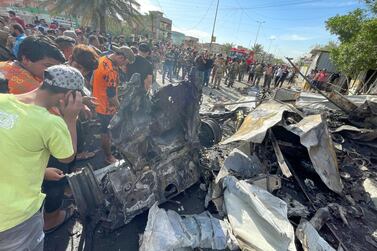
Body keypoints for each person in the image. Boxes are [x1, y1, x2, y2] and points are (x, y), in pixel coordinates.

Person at [0, 65, 83, 251]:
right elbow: (67, 157)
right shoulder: (51, 123)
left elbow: (10, 149)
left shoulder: (2, 100)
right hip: (15, 218)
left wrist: (41, 172)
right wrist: (71, 118)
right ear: (69, 95)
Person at [93, 46, 135, 164]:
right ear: (121, 57)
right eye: (124, 63)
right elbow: (111, 96)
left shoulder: (102, 59)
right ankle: (108, 156)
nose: (123, 66)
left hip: (98, 100)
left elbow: (93, 81)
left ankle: (109, 148)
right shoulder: (110, 70)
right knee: (105, 131)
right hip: (106, 106)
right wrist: (121, 108)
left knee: (105, 130)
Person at [0, 35, 66, 95]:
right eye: (48, 65)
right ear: (25, 59)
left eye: (57, 67)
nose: (55, 71)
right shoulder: (33, 88)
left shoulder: (3, 65)